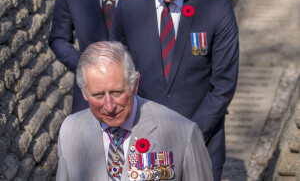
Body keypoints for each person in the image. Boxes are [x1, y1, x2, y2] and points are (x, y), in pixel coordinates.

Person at [110, 0, 239, 181]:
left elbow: (223, 84)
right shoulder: (128, 9)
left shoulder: (217, 6)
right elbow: (119, 75)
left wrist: (190, 134)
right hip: (145, 142)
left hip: (203, 139)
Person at [56, 41, 214, 181]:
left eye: (117, 92)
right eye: (98, 95)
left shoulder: (182, 132)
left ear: (135, 84)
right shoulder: (70, 132)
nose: (109, 107)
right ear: (84, 92)